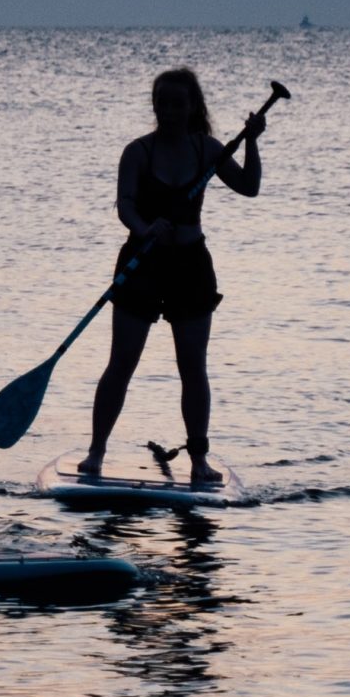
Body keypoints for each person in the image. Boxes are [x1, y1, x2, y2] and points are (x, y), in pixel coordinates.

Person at [79, 69, 264, 486]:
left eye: (178, 103)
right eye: (163, 103)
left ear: (193, 107)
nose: (170, 111)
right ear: (155, 106)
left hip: (191, 266)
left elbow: (249, 187)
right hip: (142, 263)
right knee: (121, 363)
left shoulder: (209, 149)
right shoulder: (138, 152)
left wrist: (252, 141)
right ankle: (96, 452)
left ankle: (199, 460)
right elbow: (125, 204)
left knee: (192, 366)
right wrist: (145, 228)